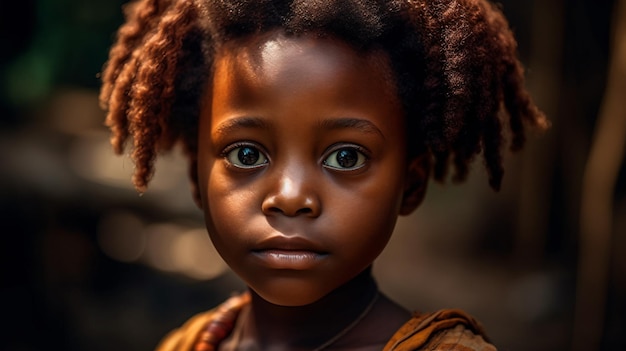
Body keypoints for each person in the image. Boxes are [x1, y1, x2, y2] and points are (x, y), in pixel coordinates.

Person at [99, 0, 548, 350]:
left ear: (409, 185)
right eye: (248, 153)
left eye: (346, 158)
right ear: (199, 180)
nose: (291, 197)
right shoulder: (190, 344)